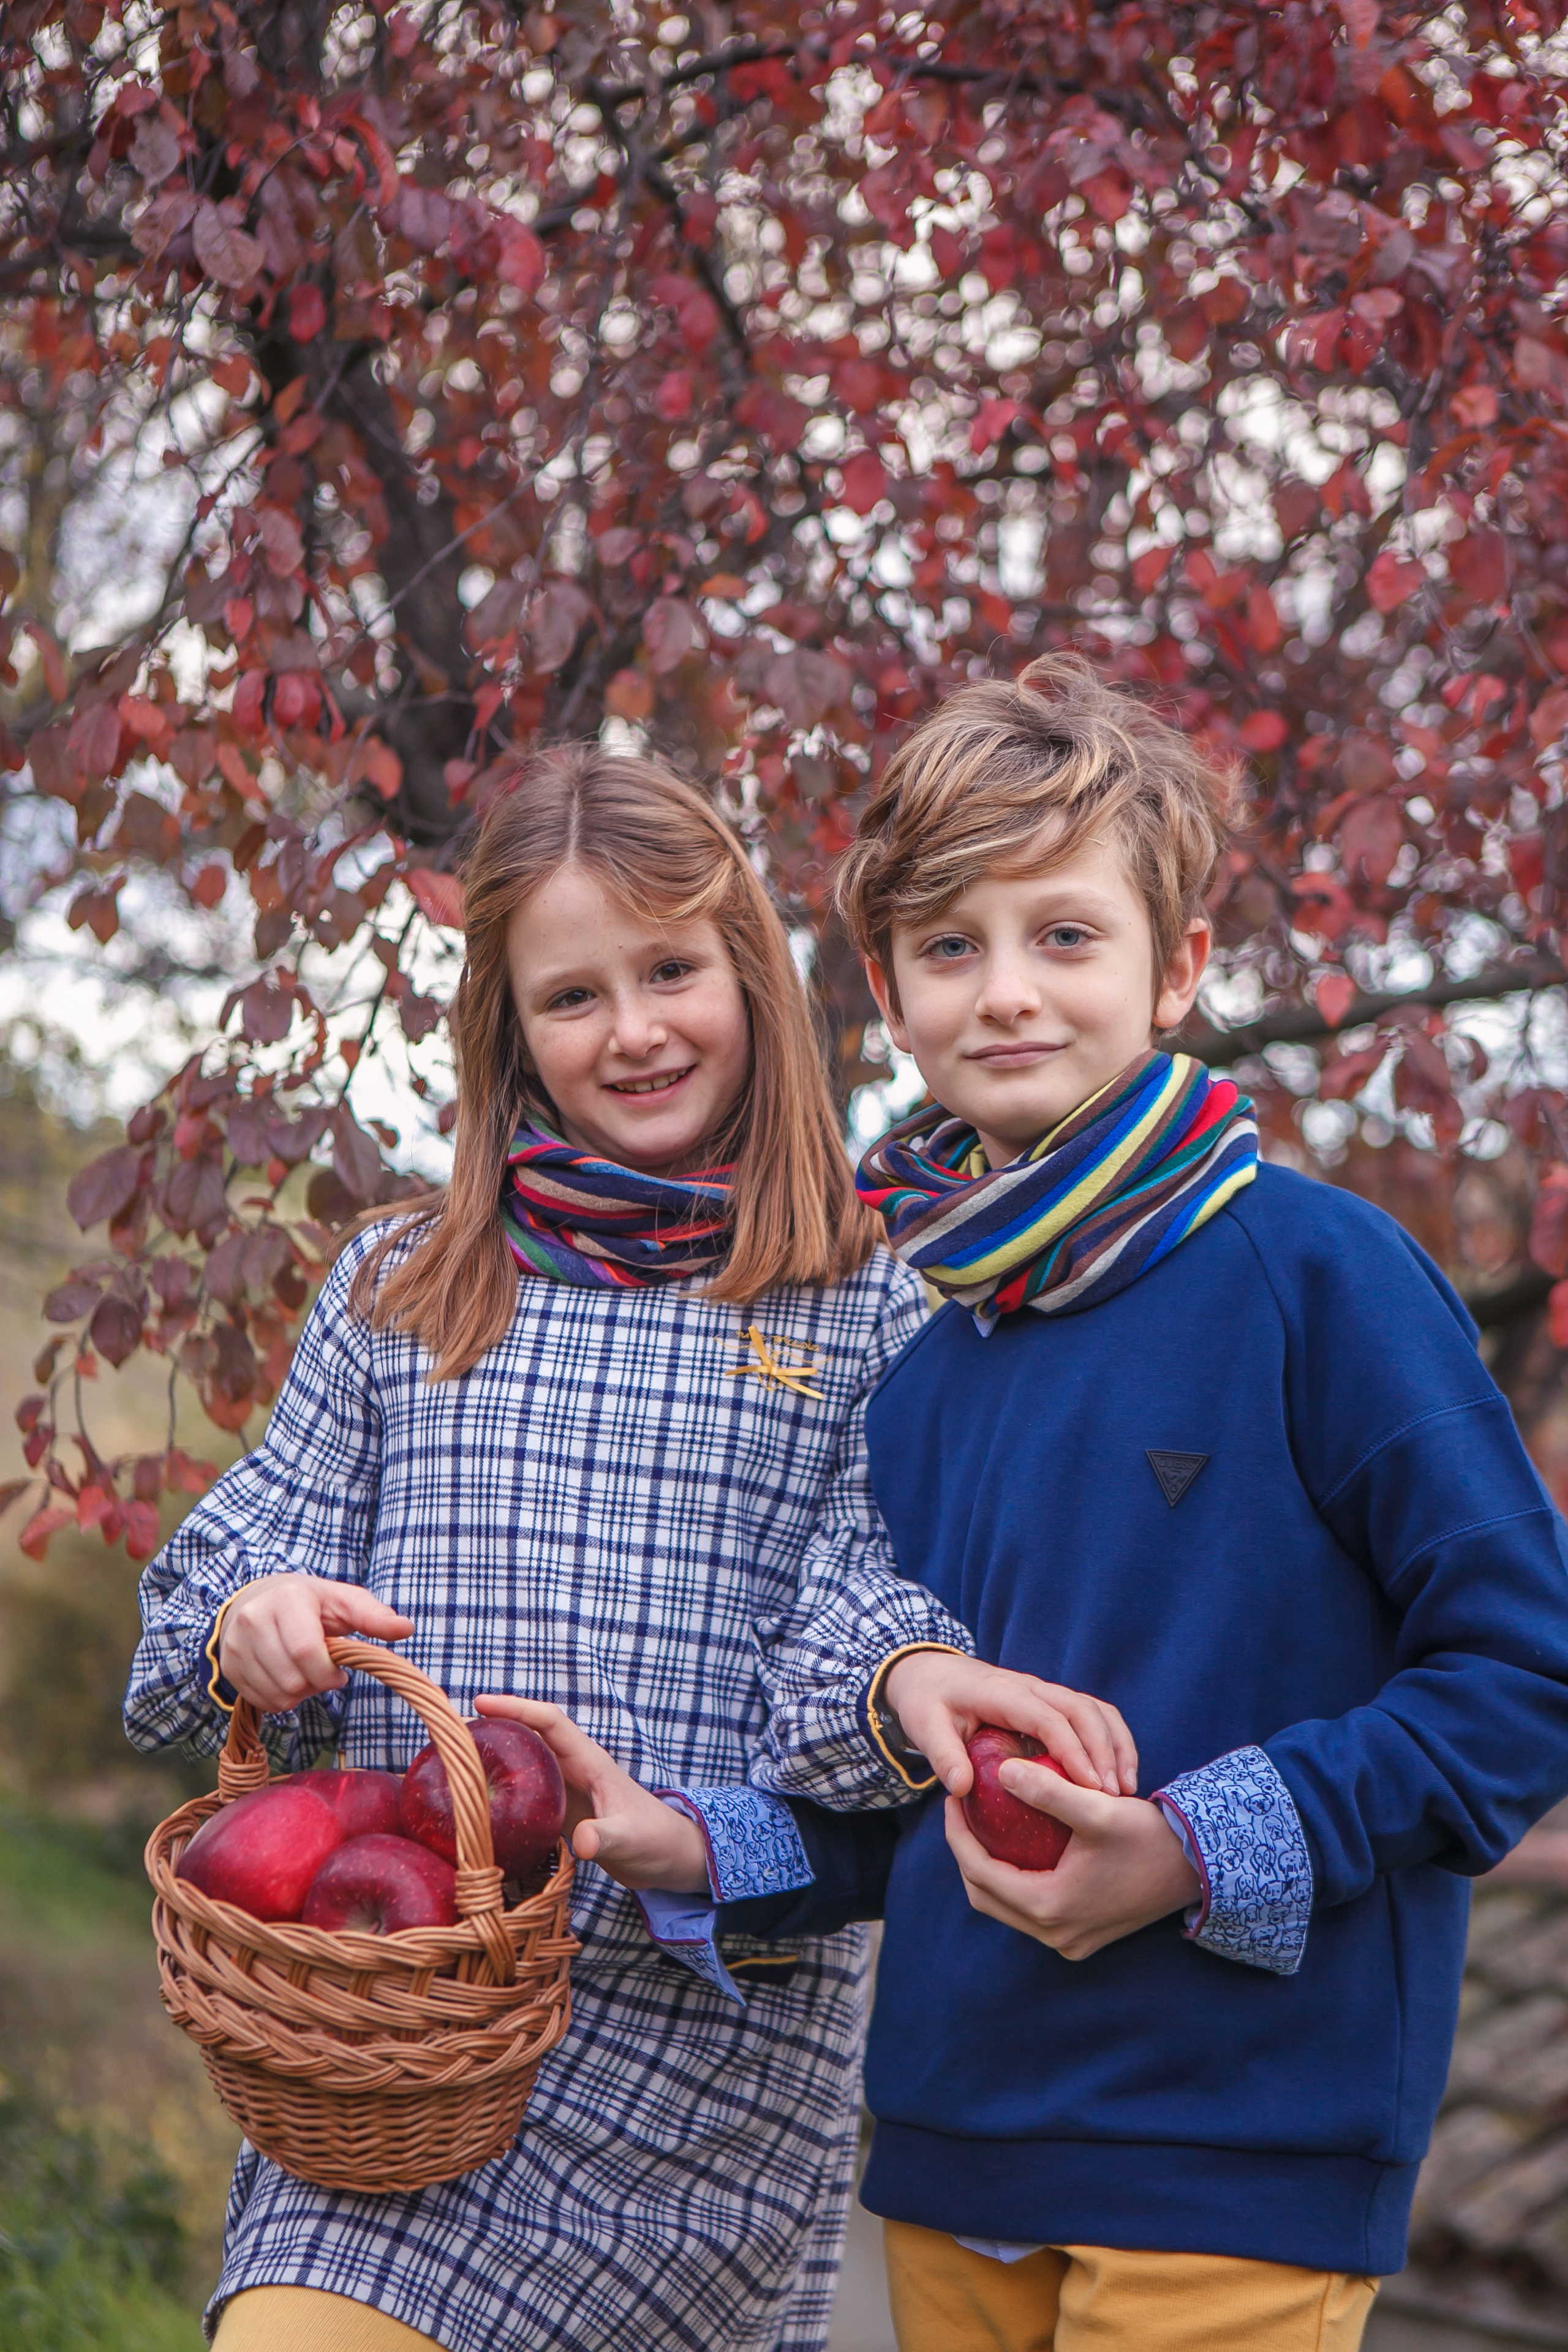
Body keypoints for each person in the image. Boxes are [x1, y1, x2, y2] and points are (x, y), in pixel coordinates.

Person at [538, 658, 1568, 2352]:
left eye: (1066, 936)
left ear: (1181, 968)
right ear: (890, 991)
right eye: (952, 948)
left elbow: (1525, 1675)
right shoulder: (921, 1360)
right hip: (956, 2148)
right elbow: (919, 1795)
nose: (1008, 993)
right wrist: (702, 1849)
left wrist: (1193, 1852)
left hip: (1240, 2150)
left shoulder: (1320, 1276)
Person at [123, 744, 1129, 2352]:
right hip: (399, 2035)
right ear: (510, 1032)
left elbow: (857, 1644)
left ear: (752, 980)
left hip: (698, 2071)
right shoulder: (407, 1284)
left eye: (672, 972)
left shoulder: (874, 1302)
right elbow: (207, 1602)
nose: (636, 1030)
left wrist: (777, 1780)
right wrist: (251, 1616)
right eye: (574, 996)